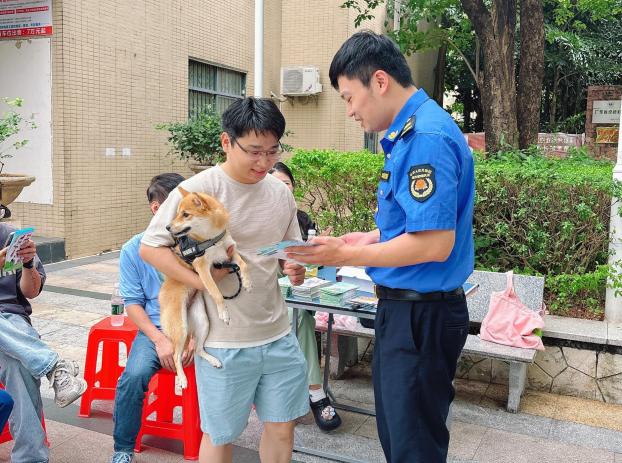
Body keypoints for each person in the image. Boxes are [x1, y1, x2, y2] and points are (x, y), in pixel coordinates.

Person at [285, 31, 475, 463]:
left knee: (412, 446)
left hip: (420, 316)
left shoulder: (425, 137)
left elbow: (434, 243)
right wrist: (368, 238)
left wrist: (345, 256)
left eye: (349, 97)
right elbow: (415, 223)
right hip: (409, 311)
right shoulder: (411, 132)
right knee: (402, 437)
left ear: (380, 81)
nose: (350, 111)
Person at [140, 97, 309, 463]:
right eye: (254, 151)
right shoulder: (198, 190)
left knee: (283, 427)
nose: (264, 162)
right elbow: (151, 248)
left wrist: (294, 266)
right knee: (220, 435)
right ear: (226, 142)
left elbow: (287, 249)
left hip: (278, 332)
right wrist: (202, 282)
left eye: (272, 151)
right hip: (223, 341)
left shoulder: (280, 192)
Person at [110, 173, 186, 463]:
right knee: (133, 377)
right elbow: (133, 305)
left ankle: (214, 439)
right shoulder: (133, 249)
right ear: (157, 208)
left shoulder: (194, 245)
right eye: (178, 207)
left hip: (195, 325)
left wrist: (192, 336)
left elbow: (203, 294)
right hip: (155, 329)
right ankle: (123, 449)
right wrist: (160, 340)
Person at [0, 223, 88, 463]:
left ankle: (31, 458)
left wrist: (28, 264)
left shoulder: (11, 237)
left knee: (18, 366)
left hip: (12, 321)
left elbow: (31, 292)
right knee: (21, 355)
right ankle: (53, 366)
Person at [269, 161, 342, 432]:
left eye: (286, 184)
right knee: (298, 318)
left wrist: (317, 252)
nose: (283, 189)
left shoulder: (301, 219)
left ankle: (303, 390)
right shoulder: (258, 221)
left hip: (300, 293)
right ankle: (316, 393)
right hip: (266, 299)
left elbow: (315, 266)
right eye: (276, 184)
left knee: (299, 315)